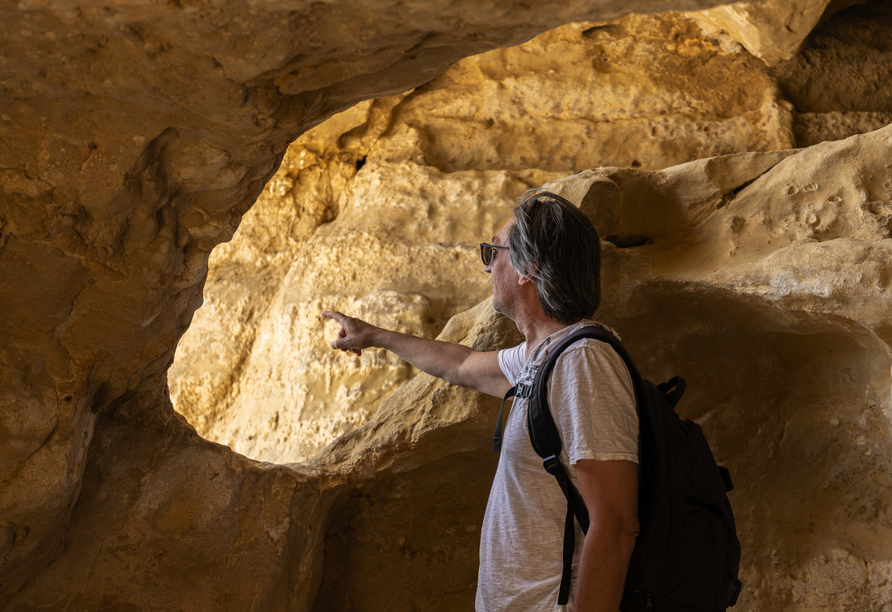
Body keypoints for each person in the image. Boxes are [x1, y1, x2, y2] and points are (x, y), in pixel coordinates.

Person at [322, 190, 640, 612]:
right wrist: (376, 336)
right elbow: (463, 363)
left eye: (493, 251)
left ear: (530, 267)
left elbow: (617, 525)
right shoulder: (542, 357)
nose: (488, 264)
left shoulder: (583, 362)